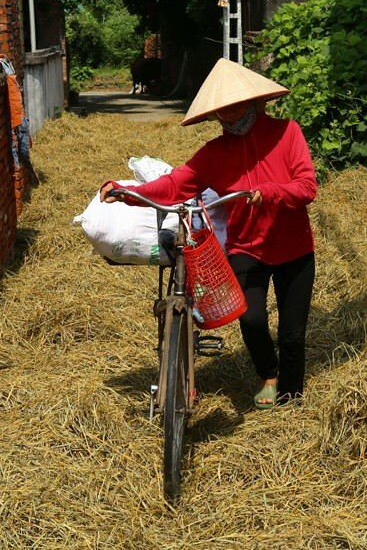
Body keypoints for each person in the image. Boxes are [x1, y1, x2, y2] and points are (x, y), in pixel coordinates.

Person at [100, 58, 317, 409]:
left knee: (293, 333)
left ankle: (291, 395)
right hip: (247, 248)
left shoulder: (287, 133)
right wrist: (128, 194)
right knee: (251, 318)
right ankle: (270, 374)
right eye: (222, 112)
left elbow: (307, 187)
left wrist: (271, 193)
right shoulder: (213, 154)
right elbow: (174, 185)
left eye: (235, 108)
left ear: (254, 102)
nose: (230, 117)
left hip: (294, 248)